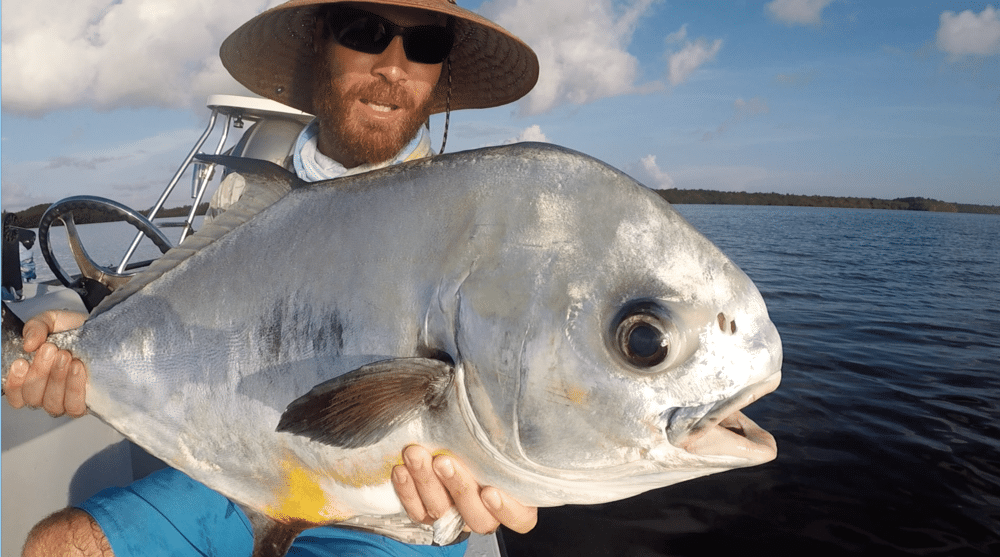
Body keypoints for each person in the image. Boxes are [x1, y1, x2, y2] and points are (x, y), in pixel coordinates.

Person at [5, 1, 540, 555]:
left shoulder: (474, 230)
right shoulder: (248, 203)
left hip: (399, 505)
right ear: (319, 40)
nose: (394, 67)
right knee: (59, 545)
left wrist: (507, 481)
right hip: (248, 467)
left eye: (426, 44)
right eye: (366, 32)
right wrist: (87, 341)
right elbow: (205, 331)